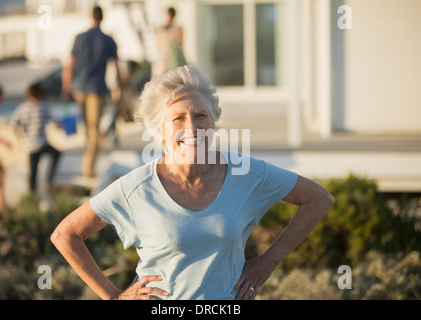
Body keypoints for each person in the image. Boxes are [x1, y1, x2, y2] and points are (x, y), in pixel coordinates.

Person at [51, 66, 335, 300]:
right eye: (178, 119)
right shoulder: (137, 187)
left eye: (200, 115)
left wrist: (269, 261)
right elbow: (65, 235)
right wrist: (114, 297)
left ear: (213, 123)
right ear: (159, 132)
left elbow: (319, 199)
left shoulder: (245, 171)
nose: (192, 127)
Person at [62, 5, 122, 178]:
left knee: (88, 129)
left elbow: (69, 66)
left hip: (78, 88)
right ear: (102, 18)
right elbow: (116, 68)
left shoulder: (79, 37)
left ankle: (88, 161)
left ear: (91, 17)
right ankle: (88, 169)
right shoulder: (108, 40)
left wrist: (66, 89)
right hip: (97, 89)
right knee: (94, 129)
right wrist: (119, 91)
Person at [10, 83, 61, 196]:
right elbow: (54, 123)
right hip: (42, 143)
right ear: (41, 94)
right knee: (56, 153)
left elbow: (13, 126)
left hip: (29, 145)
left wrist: (21, 139)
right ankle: (49, 179)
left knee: (33, 171)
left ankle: (32, 193)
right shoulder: (43, 107)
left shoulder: (21, 108)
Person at [152, 7, 186, 77]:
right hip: (164, 59)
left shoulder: (176, 29)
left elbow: (181, 45)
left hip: (172, 59)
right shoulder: (162, 29)